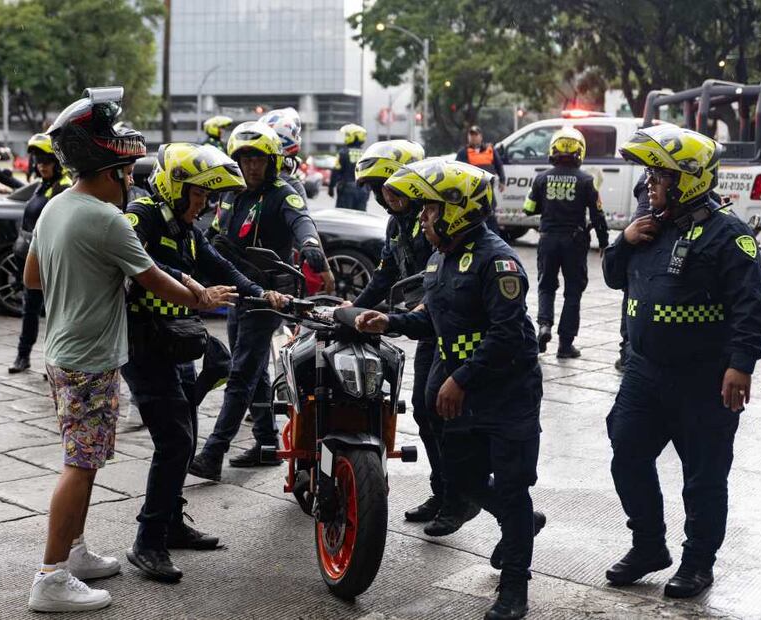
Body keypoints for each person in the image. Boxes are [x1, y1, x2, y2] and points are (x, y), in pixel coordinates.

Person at [23, 87, 232, 613]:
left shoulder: (57, 208)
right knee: (79, 465)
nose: (132, 183)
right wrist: (201, 296)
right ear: (111, 171)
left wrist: (86, 284)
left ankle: (74, 552)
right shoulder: (106, 219)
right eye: (129, 173)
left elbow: (32, 276)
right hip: (89, 359)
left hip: (62, 350)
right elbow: (157, 281)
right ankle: (50, 577)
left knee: (86, 460)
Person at [355, 158, 544, 620]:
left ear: (458, 210)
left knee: (513, 485)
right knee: (464, 482)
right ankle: (518, 523)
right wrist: (390, 321)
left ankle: (514, 584)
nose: (423, 218)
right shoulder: (440, 257)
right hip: (463, 391)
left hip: (507, 392)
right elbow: (432, 319)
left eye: (431, 210)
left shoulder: (497, 261)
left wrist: (460, 379)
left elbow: (506, 334)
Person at [603, 125, 761, 599]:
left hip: (704, 380)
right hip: (644, 373)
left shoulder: (728, 235)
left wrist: (742, 364)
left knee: (704, 477)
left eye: (660, 176)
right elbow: (614, 278)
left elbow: (750, 307)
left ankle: (698, 563)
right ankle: (649, 546)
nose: (650, 184)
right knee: (627, 453)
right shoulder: (649, 226)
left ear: (689, 179)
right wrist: (625, 240)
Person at [123, 142, 289, 582]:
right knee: (175, 440)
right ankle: (147, 542)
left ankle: (171, 523)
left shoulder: (186, 228)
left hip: (177, 343)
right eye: (197, 194)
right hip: (142, 345)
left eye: (206, 196)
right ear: (175, 187)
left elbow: (221, 267)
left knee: (187, 432)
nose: (204, 203)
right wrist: (188, 283)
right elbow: (136, 265)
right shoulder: (140, 216)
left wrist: (261, 293)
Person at [189, 121, 330, 480]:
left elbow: (302, 221)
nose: (252, 167)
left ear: (272, 161)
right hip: (237, 293)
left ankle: (213, 452)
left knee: (239, 375)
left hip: (270, 296)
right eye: (245, 159)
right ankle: (267, 442)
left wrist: (311, 245)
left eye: (258, 160)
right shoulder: (230, 193)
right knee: (252, 370)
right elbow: (213, 234)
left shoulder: (283, 192)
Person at [347, 138, 464, 529]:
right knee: (424, 408)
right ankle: (444, 491)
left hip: (450, 328)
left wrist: (408, 314)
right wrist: (353, 309)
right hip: (422, 324)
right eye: (379, 188)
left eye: (391, 185)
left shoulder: (436, 219)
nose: (384, 195)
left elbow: (441, 277)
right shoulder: (397, 223)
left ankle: (459, 499)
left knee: (443, 413)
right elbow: (384, 273)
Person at [523, 127, 609, 358]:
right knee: (573, 292)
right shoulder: (587, 180)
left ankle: (544, 326)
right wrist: (604, 242)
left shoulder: (541, 178)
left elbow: (528, 208)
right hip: (575, 242)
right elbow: (598, 215)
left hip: (547, 239)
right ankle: (565, 344)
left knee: (546, 285)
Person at [8, 133, 72, 374]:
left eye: (46, 161)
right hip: (30, 258)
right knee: (30, 311)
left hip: (52, 262)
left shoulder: (63, 188)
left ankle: (54, 361)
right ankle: (22, 356)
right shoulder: (42, 186)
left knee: (56, 314)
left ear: (57, 162)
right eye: (38, 161)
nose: (41, 166)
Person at [260, 106, 335, 295]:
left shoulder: (249, 181)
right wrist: (325, 271)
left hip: (244, 276)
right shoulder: (290, 185)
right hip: (278, 275)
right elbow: (305, 227)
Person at [615, 171, 652, 372]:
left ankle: (626, 353)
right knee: (633, 298)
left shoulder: (647, 174)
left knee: (631, 298)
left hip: (638, 238)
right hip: (644, 238)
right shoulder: (658, 176)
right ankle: (628, 353)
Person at [456, 125, 506, 233]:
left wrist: (502, 181)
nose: (473, 138)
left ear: (481, 136)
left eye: (475, 135)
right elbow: (457, 170)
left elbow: (499, 165)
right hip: (472, 192)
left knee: (490, 217)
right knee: (474, 219)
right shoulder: (463, 152)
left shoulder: (490, 150)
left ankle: (494, 239)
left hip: (488, 190)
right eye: (471, 135)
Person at [329, 123, 369, 210]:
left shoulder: (342, 153)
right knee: (360, 217)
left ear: (353, 136)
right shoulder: (367, 154)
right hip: (363, 190)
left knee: (344, 216)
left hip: (346, 189)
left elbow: (335, 171)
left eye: (347, 135)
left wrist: (331, 187)